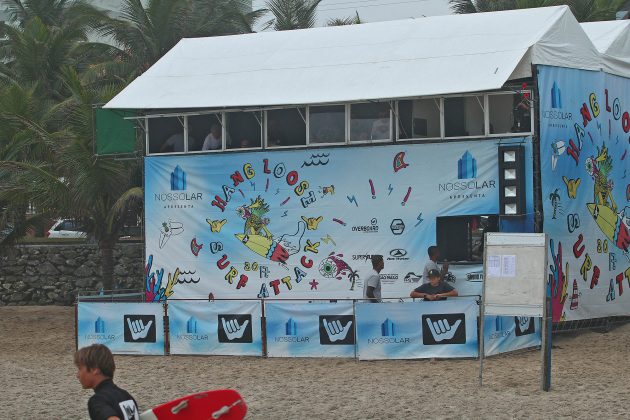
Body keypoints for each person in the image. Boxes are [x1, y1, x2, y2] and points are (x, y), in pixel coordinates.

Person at [75, 344, 139, 420]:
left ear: (95, 369)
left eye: (80, 368)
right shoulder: (126, 396)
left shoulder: (98, 400)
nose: (77, 375)